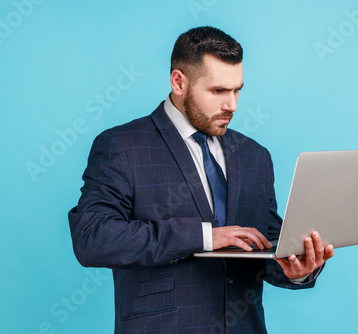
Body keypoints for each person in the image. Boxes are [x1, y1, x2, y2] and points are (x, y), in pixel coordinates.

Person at [68, 26, 334, 334]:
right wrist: (205, 236)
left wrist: (296, 270)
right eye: (218, 91)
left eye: (237, 90)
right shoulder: (123, 146)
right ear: (179, 82)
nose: (232, 105)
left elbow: (264, 243)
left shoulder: (255, 155)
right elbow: (92, 238)